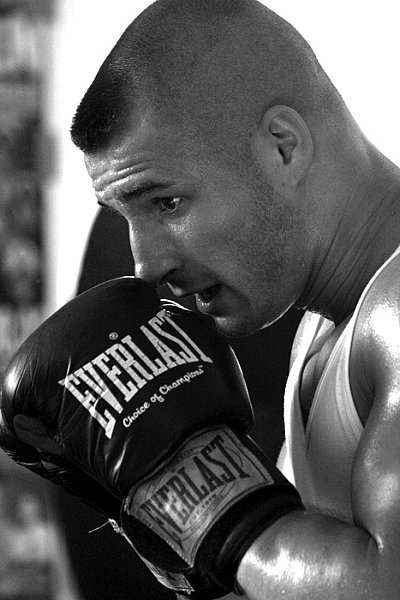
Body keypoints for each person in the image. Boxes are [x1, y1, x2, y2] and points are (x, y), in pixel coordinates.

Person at [4, 0, 400, 598]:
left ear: (284, 147)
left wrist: (208, 504)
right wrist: (166, 508)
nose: (144, 264)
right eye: (125, 216)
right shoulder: (325, 328)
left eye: (167, 203)